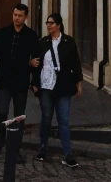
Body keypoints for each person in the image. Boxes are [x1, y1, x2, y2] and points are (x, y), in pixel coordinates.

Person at [0, 3, 40, 160]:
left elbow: (36, 60)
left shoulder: (30, 35)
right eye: (15, 14)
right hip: (3, 80)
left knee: (19, 116)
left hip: (21, 82)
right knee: (2, 112)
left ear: (26, 17)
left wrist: (34, 81)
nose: (16, 18)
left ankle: (16, 148)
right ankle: (0, 141)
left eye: (20, 15)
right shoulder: (3, 33)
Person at [32, 13, 82, 167]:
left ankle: (67, 154)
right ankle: (42, 149)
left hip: (64, 85)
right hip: (46, 86)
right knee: (46, 118)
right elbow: (35, 65)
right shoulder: (42, 42)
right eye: (47, 23)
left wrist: (79, 83)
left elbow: (76, 63)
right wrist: (34, 82)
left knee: (64, 120)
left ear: (59, 25)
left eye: (52, 23)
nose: (48, 25)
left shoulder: (69, 42)